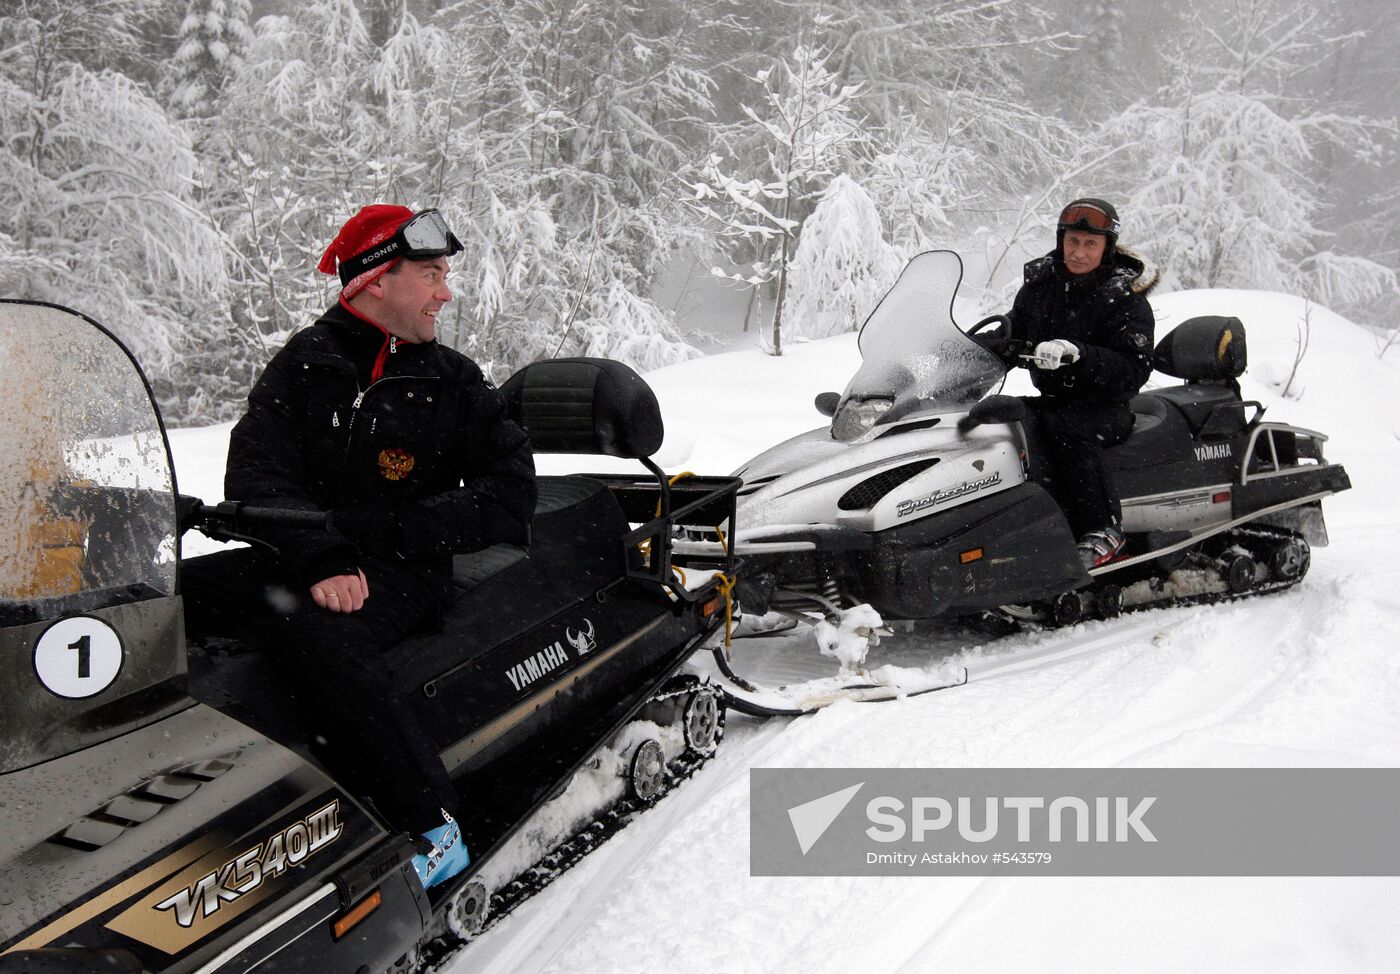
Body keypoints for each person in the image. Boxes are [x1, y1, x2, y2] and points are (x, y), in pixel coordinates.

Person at [186, 204, 536, 890]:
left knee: (318, 633)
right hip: (300, 554)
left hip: (405, 569)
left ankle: (432, 828)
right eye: (432, 274)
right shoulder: (305, 365)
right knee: (170, 594)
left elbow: (508, 495)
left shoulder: (452, 382)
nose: (446, 292)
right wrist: (319, 551)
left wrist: (382, 532)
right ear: (377, 280)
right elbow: (257, 472)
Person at [1005, 197, 1157, 569]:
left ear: (1106, 248)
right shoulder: (1041, 288)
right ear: (1061, 241)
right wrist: (977, 347)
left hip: (1106, 407)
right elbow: (1012, 331)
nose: (1079, 252)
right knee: (1007, 420)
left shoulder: (1124, 298)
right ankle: (1025, 520)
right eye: (1072, 241)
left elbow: (1134, 369)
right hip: (1055, 398)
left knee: (1068, 429)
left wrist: (1082, 355)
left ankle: (1104, 528)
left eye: (1090, 244)